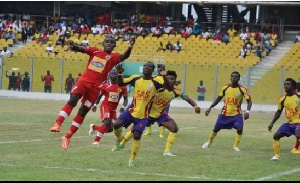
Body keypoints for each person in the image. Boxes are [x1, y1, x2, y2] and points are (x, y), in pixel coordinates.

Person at [49, 36, 135, 151]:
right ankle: (58, 123)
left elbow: (124, 56)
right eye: (107, 41)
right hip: (83, 81)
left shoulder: (113, 57)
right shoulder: (95, 51)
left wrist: (130, 46)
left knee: (83, 111)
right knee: (73, 99)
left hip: (96, 89)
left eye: (112, 42)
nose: (109, 43)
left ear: (114, 46)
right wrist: (73, 46)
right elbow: (82, 49)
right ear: (103, 43)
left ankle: (67, 137)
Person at [122, 69, 201, 157]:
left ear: (175, 81)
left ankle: (167, 151)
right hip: (149, 113)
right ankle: (122, 142)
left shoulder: (176, 91)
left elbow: (188, 98)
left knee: (174, 128)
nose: (170, 80)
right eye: (168, 79)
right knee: (136, 130)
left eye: (172, 79)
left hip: (161, 114)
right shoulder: (158, 88)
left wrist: (195, 106)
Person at [112, 62, 171, 167]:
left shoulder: (156, 81)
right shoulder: (136, 78)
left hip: (143, 115)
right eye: (145, 66)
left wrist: (162, 74)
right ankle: (119, 138)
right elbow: (121, 83)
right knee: (116, 124)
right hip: (131, 110)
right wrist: (120, 74)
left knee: (137, 135)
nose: (146, 67)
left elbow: (169, 87)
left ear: (152, 70)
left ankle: (132, 160)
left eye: (149, 66)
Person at [202, 71, 252, 151]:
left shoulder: (242, 89)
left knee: (240, 128)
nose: (233, 78)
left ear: (239, 79)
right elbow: (218, 99)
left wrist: (247, 111)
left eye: (235, 77)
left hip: (237, 114)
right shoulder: (225, 88)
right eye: (232, 76)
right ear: (230, 77)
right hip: (225, 113)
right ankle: (209, 142)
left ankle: (236, 146)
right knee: (216, 129)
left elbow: (249, 101)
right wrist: (210, 108)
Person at [89, 69, 128, 144]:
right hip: (105, 106)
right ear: (109, 75)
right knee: (106, 123)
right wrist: (94, 105)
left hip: (113, 109)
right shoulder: (105, 86)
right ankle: (96, 140)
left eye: (115, 74)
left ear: (117, 75)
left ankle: (94, 127)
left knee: (110, 128)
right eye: (111, 74)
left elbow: (125, 99)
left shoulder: (122, 87)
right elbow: (99, 96)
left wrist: (123, 107)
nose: (113, 75)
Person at [268, 78, 300, 159]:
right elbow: (279, 112)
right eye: (285, 84)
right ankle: (276, 156)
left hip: (299, 122)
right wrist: (272, 123)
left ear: (293, 86)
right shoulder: (282, 98)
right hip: (289, 123)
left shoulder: (298, 97)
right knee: (276, 135)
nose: (286, 86)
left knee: (298, 134)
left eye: (288, 84)